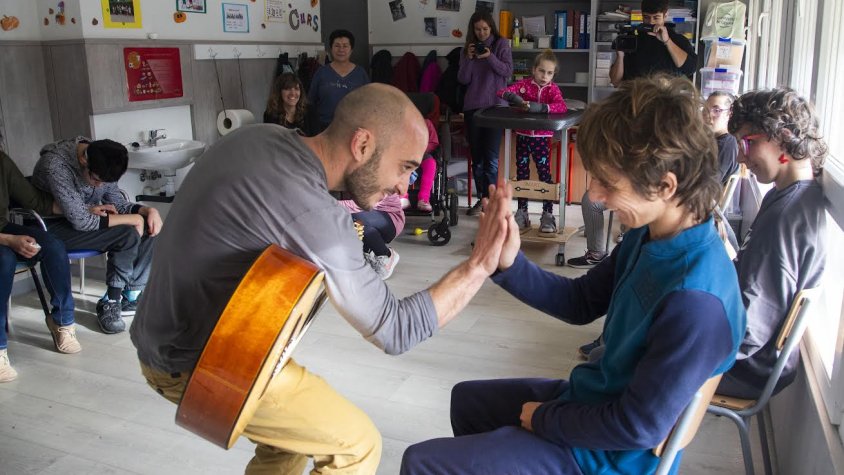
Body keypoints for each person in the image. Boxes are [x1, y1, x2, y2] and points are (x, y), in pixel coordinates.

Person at [129, 83, 511, 474]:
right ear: (362, 145)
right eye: (405, 167)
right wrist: (478, 265)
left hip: (169, 337)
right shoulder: (315, 214)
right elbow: (396, 329)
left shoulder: (259, 135)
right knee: (356, 447)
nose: (404, 186)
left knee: (287, 447)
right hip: (198, 364)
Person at [400, 75, 746, 475]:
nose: (595, 195)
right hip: (592, 402)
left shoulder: (696, 300)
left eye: (608, 183)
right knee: (467, 401)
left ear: (665, 186)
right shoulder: (650, 236)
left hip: (605, 458)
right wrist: (508, 262)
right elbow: (580, 302)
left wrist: (545, 418)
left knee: (423, 462)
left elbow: (638, 428)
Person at [716, 88, 827, 399]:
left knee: (621, 359)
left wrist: (689, 347)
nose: (741, 155)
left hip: (748, 366)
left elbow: (750, 330)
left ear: (784, 137)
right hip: (750, 353)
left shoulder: (786, 216)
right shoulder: (789, 195)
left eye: (748, 143)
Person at [32, 138, 162, 335]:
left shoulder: (106, 158)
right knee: (127, 232)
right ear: (84, 160)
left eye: (105, 183)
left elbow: (116, 201)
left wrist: (145, 210)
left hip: (84, 216)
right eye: (96, 180)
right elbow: (81, 220)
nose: (100, 186)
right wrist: (133, 219)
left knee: (150, 226)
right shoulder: (55, 165)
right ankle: (111, 302)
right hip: (49, 227)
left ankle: (131, 294)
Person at [0, 150, 81, 382]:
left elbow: (35, 202)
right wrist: (8, 241)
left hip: (3, 228)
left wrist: (82, 210)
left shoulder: (2, 160)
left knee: (53, 246)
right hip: (3, 238)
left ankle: (62, 322)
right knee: (3, 259)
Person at [497, 49, 568, 234]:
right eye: (541, 71)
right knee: (522, 175)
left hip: (542, 139)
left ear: (553, 74)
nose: (545, 76)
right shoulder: (524, 86)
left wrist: (542, 107)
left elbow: (561, 106)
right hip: (522, 136)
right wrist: (514, 98)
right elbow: (502, 91)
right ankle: (522, 213)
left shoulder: (553, 89)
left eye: (549, 73)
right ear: (534, 70)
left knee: (544, 175)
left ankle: (547, 215)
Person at [458, 10, 513, 216]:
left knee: (490, 157)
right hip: (473, 106)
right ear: (472, 30)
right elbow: (463, 79)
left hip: (496, 107)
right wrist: (470, 58)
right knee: (477, 157)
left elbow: (507, 71)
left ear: (491, 28)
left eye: (485, 29)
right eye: (477, 29)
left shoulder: (501, 44)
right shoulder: (469, 49)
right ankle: (482, 199)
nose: (481, 33)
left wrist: (489, 56)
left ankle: (490, 201)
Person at [609, 0, 697, 86]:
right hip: (635, 97)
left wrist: (667, 41)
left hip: (665, 97)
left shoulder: (677, 40)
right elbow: (615, 81)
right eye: (646, 17)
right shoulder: (631, 38)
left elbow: (690, 69)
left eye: (656, 17)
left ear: (665, 16)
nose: (651, 22)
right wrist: (620, 56)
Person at [308, 29, 370, 132]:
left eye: (345, 46)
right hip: (324, 129)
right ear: (331, 48)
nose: (341, 50)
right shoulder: (321, 73)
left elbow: (368, 103)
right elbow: (311, 102)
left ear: (351, 49)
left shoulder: (360, 73)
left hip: (353, 129)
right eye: (337, 46)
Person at [339, 193, 404, 280]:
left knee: (354, 216)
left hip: (391, 219)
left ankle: (386, 255)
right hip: (369, 215)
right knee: (347, 218)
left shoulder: (378, 180)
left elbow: (363, 205)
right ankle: (368, 254)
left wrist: (329, 204)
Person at [263, 72, 319, 137]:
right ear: (279, 92)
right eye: (288, 89)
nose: (293, 93)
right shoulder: (270, 114)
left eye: (296, 89)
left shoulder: (310, 111)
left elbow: (316, 139)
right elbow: (270, 141)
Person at [703, 91, 740, 185]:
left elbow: (706, 185)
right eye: (705, 110)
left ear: (730, 114)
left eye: (716, 110)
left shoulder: (726, 145)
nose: (708, 115)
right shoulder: (713, 140)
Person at [405, 117, 440, 213]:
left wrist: (420, 150)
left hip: (423, 153)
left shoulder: (426, 123)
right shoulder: (402, 123)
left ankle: (424, 199)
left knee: (431, 163)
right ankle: (402, 196)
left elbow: (433, 142)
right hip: (405, 154)